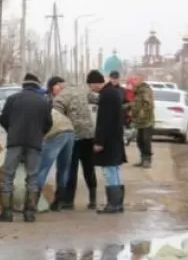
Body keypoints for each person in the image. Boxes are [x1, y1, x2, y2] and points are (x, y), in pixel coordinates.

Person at [0, 73, 52, 223]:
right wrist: (39, 134)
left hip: (14, 142)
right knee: (33, 177)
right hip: (34, 144)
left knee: (8, 176)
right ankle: (29, 213)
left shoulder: (13, 99)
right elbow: (48, 124)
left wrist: (12, 130)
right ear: (37, 85)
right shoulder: (42, 102)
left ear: (23, 85)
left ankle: (7, 213)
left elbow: (3, 119)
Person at [55, 75, 99, 209]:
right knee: (89, 168)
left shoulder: (61, 97)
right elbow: (98, 99)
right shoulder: (82, 91)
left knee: (71, 169)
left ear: (58, 86)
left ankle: (69, 201)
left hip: (73, 136)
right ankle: (93, 199)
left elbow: (55, 117)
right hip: (89, 135)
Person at [90, 69, 128, 213]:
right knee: (116, 170)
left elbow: (103, 121)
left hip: (108, 141)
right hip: (115, 138)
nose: (91, 88)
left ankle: (112, 204)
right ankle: (118, 203)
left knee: (109, 171)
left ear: (95, 83)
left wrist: (99, 142)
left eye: (90, 85)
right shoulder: (114, 93)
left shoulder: (106, 96)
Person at [39, 76, 78, 210]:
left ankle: (36, 201)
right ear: (51, 87)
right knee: (59, 167)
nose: (61, 89)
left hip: (62, 132)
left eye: (62, 86)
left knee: (48, 167)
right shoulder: (47, 99)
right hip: (65, 132)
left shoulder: (62, 99)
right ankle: (57, 201)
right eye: (58, 86)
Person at [131, 78, 155, 167]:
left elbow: (148, 103)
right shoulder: (137, 93)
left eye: (133, 85)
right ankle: (142, 159)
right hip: (140, 122)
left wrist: (143, 111)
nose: (132, 87)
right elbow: (135, 104)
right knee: (139, 140)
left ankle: (147, 160)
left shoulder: (145, 90)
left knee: (146, 140)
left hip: (147, 121)